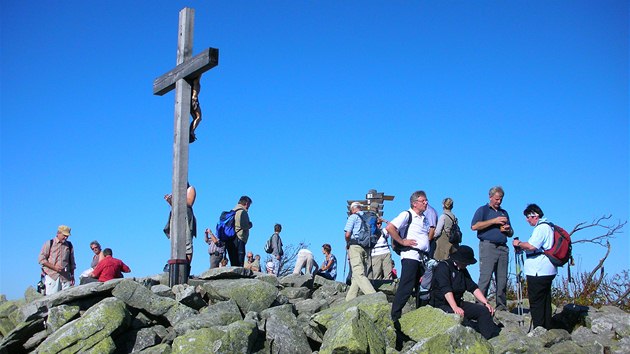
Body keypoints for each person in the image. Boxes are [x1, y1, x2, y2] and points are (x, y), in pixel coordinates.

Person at [430, 245, 500, 339]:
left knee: (483, 311)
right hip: (441, 305)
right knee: (462, 319)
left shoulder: (463, 270)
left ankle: (489, 338)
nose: (468, 265)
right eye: (467, 262)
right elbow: (446, 289)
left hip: (458, 302)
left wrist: (485, 303)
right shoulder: (443, 267)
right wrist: (454, 307)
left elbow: (473, 288)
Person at [387, 191, 431, 321]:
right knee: (406, 285)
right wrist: (402, 241)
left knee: (422, 287)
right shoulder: (407, 214)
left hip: (422, 258)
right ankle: (395, 316)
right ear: (414, 203)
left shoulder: (424, 218)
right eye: (423, 201)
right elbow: (390, 227)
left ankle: (420, 315)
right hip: (410, 256)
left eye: (426, 200)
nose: (426, 203)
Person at [512, 204, 557, 329]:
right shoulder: (548, 227)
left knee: (536, 301)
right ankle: (547, 327)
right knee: (545, 299)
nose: (527, 220)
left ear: (534, 215)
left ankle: (539, 328)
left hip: (538, 270)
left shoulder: (541, 228)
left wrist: (518, 243)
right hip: (547, 269)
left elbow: (533, 246)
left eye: (528, 217)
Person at [471, 186, 514, 311]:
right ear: (490, 197)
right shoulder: (483, 210)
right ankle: (480, 305)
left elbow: (511, 232)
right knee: (486, 277)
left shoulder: (504, 213)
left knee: (502, 279)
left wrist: (508, 230)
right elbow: (474, 226)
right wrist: (494, 221)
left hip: (503, 247)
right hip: (488, 246)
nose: (499, 202)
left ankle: (501, 306)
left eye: (500, 199)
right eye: (496, 199)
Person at [344, 202, 377, 301]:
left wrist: (347, 243)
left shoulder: (353, 217)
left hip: (355, 246)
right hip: (366, 247)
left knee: (358, 273)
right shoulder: (368, 217)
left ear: (353, 209)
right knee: (356, 276)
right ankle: (349, 300)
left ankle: (374, 296)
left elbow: (347, 234)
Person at [163, 183, 197, 278]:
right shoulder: (177, 192)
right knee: (175, 244)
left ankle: (186, 269)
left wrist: (176, 199)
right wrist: (170, 201)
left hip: (186, 217)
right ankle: (175, 269)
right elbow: (176, 205)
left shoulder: (190, 189)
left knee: (187, 245)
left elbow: (189, 202)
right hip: (175, 218)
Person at [38, 225, 76, 295]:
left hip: (66, 278)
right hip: (52, 277)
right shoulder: (49, 243)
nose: (66, 237)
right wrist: (54, 268)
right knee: (51, 301)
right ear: (58, 233)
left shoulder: (69, 245)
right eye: (64, 235)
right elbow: (41, 259)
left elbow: (72, 262)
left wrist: (72, 276)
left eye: (67, 236)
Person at [225, 196, 253, 267]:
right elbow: (244, 225)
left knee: (233, 263)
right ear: (246, 203)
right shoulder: (242, 212)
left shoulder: (233, 211)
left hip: (230, 239)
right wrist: (250, 225)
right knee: (239, 263)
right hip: (239, 238)